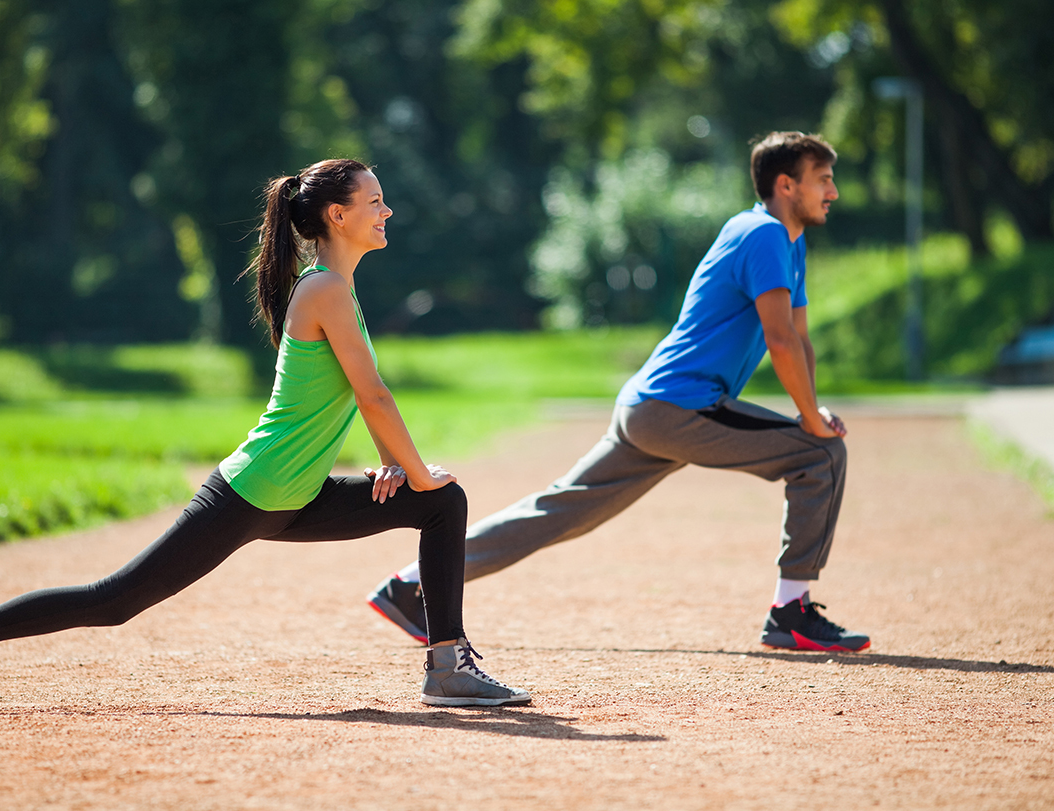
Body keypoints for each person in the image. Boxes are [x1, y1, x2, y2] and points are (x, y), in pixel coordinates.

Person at [0, 159, 530, 714]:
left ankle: (446, 666)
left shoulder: (339, 288)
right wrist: (413, 469)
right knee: (117, 600)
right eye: (375, 202)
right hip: (253, 492)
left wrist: (399, 467)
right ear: (338, 215)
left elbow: (359, 399)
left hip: (297, 496)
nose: (387, 210)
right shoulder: (326, 289)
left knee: (442, 505)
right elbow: (374, 397)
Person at [368, 132, 870, 653]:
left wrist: (812, 408)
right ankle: (790, 611)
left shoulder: (787, 242)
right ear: (786, 185)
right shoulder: (763, 234)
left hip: (652, 406)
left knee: (558, 510)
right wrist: (811, 421)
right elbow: (780, 340)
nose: (832, 192)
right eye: (824, 180)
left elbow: (801, 337)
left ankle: (410, 586)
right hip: (681, 406)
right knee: (821, 454)